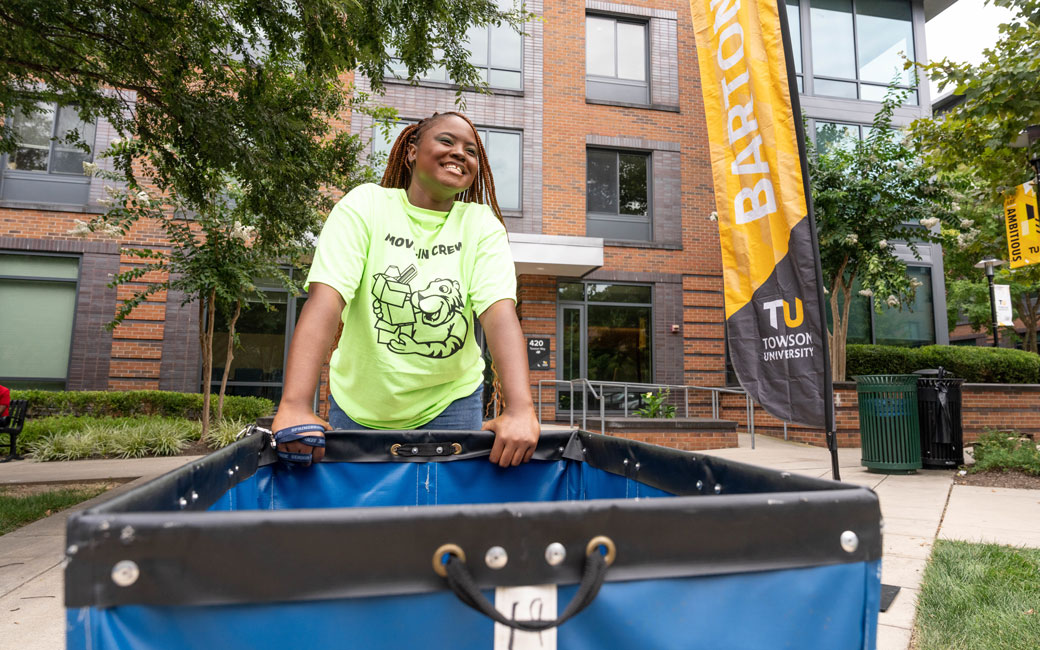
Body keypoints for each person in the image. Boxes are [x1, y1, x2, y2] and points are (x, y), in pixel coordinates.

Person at [271, 111, 540, 467]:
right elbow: (327, 300)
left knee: (445, 518)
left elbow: (499, 314)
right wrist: (294, 406)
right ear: (412, 150)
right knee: (364, 517)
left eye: (471, 150)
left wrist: (521, 409)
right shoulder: (366, 206)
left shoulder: (480, 224)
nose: (460, 153)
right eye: (447, 141)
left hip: (451, 405)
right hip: (359, 406)